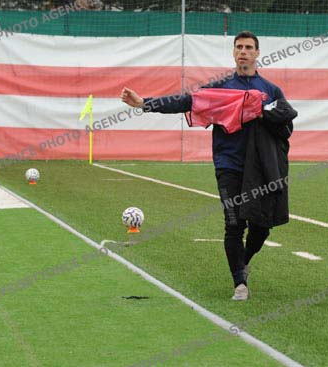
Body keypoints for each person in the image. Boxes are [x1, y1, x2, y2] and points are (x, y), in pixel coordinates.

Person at [121, 31, 291, 301]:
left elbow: (286, 127)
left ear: (257, 53)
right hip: (229, 164)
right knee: (234, 224)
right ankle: (240, 284)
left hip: (260, 169)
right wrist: (144, 103)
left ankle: (243, 261)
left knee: (261, 226)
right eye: (239, 47)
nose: (243, 51)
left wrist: (262, 112)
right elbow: (186, 101)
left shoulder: (271, 91)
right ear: (233, 52)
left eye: (249, 47)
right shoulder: (220, 87)